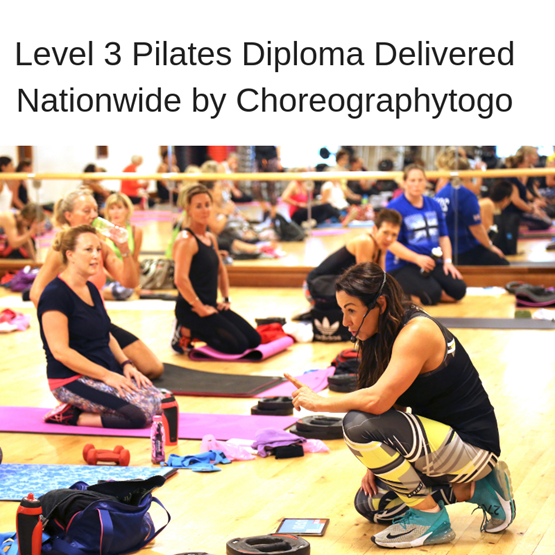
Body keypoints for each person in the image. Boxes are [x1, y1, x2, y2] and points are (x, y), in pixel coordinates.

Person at [285, 263, 515, 549]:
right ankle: (477, 489)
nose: (345, 321)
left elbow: (377, 400)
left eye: (351, 310)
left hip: (472, 447)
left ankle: (430, 519)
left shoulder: (417, 331)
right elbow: (391, 403)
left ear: (380, 304)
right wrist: (378, 459)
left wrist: (321, 403)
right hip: (440, 444)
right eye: (342, 310)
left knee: (356, 424)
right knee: (374, 505)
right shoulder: (382, 331)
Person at [30, 189, 163, 379]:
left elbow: (130, 282)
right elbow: (36, 293)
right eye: (86, 211)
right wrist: (61, 328)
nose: (93, 215)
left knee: (153, 367)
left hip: (99, 325)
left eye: (95, 210)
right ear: (69, 216)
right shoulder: (61, 250)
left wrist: (125, 251)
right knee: (111, 373)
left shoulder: (101, 246)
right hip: (76, 328)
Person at [38, 224, 162, 428]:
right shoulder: (55, 295)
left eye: (98, 249)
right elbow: (60, 352)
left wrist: (126, 364)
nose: (96, 255)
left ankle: (87, 407)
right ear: (70, 255)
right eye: (88, 250)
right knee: (139, 414)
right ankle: (71, 416)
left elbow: (106, 334)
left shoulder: (92, 289)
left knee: (161, 403)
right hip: (71, 379)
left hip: (101, 371)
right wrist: (107, 376)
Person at [170, 184, 261, 355]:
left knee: (254, 340)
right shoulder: (186, 240)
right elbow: (180, 280)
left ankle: (197, 329)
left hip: (211, 305)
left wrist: (225, 299)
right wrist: (199, 307)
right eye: (198, 206)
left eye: (207, 205)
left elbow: (221, 270)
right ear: (188, 210)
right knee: (238, 345)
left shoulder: (210, 238)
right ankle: (185, 330)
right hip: (191, 309)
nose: (205, 210)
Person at [386, 164, 467, 305]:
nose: (417, 184)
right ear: (404, 183)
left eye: (420, 180)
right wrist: (416, 258)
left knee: (459, 289)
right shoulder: (394, 207)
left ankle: (431, 287)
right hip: (403, 264)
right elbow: (390, 243)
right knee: (432, 295)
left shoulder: (434, 205)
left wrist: (448, 262)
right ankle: (402, 294)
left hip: (430, 262)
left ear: (425, 182)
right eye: (412, 180)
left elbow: (443, 236)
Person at [434, 155, 508, 266]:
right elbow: (476, 229)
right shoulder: (466, 195)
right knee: (502, 263)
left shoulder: (441, 193)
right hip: (463, 250)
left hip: (445, 249)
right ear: (468, 172)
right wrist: (491, 246)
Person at [103, 192, 143, 300]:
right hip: (107, 277)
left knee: (125, 290)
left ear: (127, 210)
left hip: (125, 279)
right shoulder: (102, 232)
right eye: (112, 208)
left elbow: (135, 259)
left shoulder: (136, 231)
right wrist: (113, 275)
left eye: (119, 208)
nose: (116, 212)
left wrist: (136, 284)